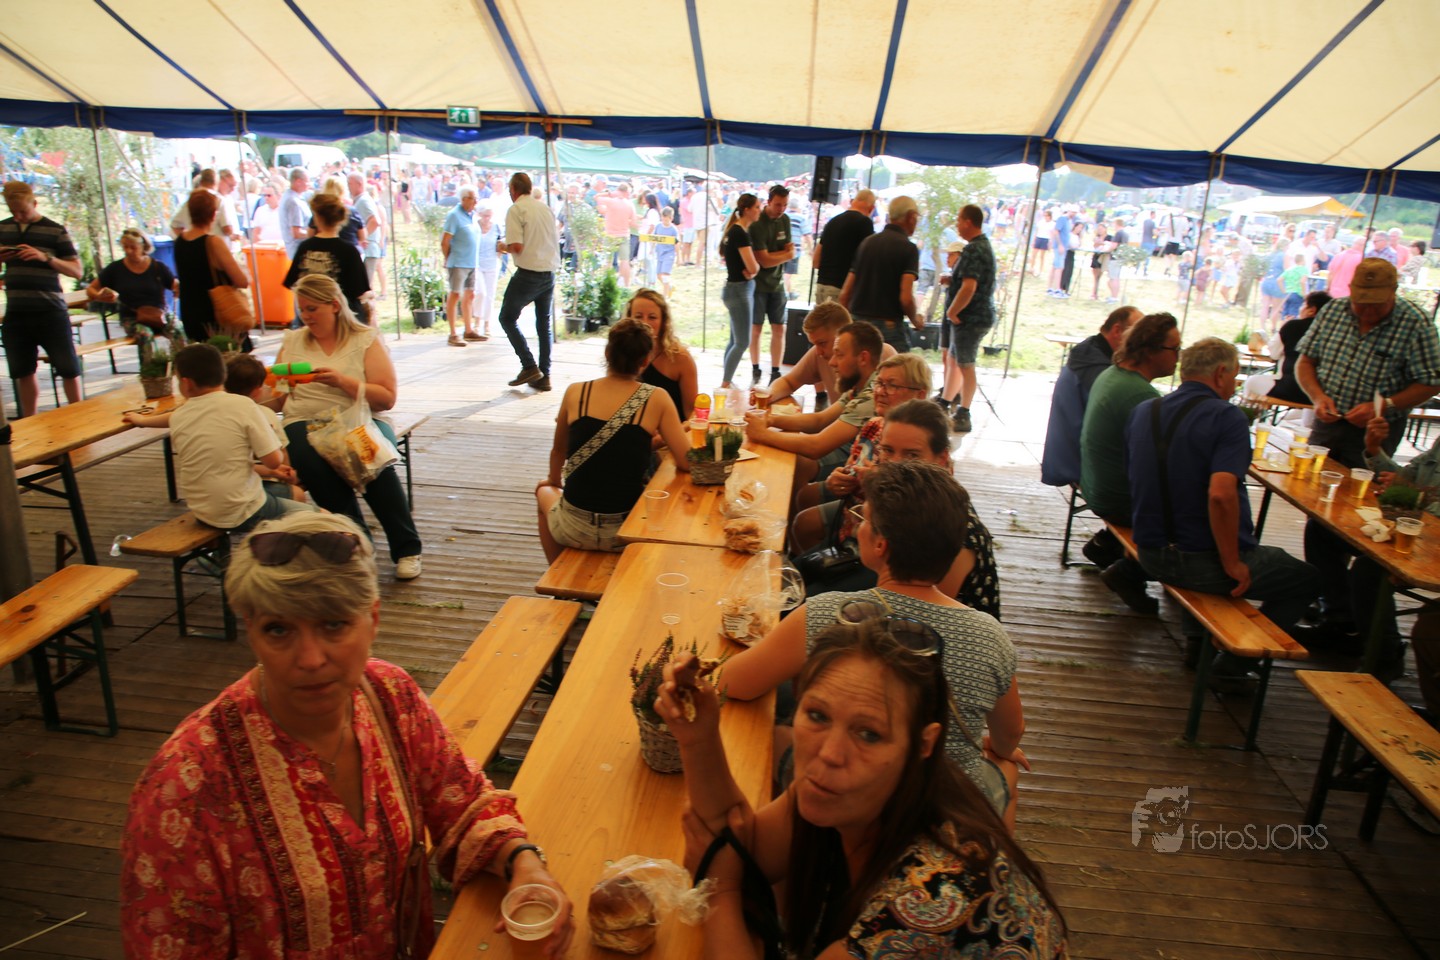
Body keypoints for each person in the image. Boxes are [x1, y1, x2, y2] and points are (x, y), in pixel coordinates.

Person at [120, 511, 574, 958]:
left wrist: (523, 861)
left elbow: (460, 800)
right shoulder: (185, 788)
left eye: (333, 624)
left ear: (373, 619)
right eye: (278, 629)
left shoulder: (389, 695)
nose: (311, 658)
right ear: (252, 633)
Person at [657, 616, 1066, 959]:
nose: (830, 753)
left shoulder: (928, 903)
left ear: (923, 744)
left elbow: (727, 864)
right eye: (817, 715)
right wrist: (698, 737)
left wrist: (721, 890)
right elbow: (742, 848)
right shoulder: (860, 791)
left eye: (869, 734)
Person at [719, 460, 1029, 826]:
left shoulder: (830, 613)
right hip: (946, 808)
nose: (858, 526)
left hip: (857, 798)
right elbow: (1011, 732)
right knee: (1005, 768)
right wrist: (1000, 749)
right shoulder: (990, 634)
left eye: (863, 518)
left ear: (880, 544)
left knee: (776, 733)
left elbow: (732, 683)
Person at [1127, 338, 1321, 687]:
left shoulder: (1145, 410)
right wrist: (1233, 562)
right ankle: (1233, 665)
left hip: (1150, 554)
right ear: (1220, 373)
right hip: (1199, 564)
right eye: (1234, 377)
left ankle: (1197, 644)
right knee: (1306, 579)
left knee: (1205, 547)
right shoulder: (1226, 416)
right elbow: (1220, 495)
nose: (1234, 386)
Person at [1291, 258, 1440, 649]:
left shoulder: (1415, 323)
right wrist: (1317, 396)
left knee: (1363, 520)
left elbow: (1431, 382)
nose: (1366, 311)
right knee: (1318, 514)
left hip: (1376, 432)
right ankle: (1335, 606)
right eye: (1360, 302)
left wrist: (1385, 405)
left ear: (1394, 294)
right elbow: (1305, 361)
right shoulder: (1334, 312)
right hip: (1328, 424)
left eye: (1376, 304)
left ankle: (1354, 616)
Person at [273, 274, 424, 580]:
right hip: (304, 418)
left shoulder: (364, 339)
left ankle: (406, 547)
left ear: (334, 305)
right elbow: (278, 398)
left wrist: (342, 382)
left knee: (369, 457)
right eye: (302, 309)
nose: (306, 316)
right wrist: (275, 386)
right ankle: (356, 540)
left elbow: (386, 398)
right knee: (308, 457)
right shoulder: (293, 341)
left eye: (313, 308)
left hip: (358, 416)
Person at [802, 397, 1002, 618]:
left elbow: (926, 615)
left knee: (803, 603)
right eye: (887, 450)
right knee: (791, 576)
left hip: (926, 623)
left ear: (941, 458)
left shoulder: (957, 530)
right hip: (879, 573)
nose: (894, 463)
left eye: (912, 455)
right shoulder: (901, 493)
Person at [535, 319, 690, 561]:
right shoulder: (657, 398)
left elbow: (558, 451)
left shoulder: (576, 392)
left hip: (573, 527)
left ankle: (555, 570)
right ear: (645, 361)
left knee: (543, 490)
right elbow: (686, 461)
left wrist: (554, 481)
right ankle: (562, 574)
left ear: (607, 353)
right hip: (625, 531)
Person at [123, 343, 314, 531]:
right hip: (243, 509)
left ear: (186, 383)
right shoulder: (244, 406)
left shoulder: (181, 414)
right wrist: (274, 454)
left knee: (285, 497)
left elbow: (172, 418)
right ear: (223, 375)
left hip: (203, 510)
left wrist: (142, 420)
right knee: (320, 518)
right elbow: (274, 461)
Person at [1078, 313, 1180, 613]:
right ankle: (1131, 572)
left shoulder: (1113, 373)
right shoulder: (1141, 395)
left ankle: (1108, 544)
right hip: (1118, 499)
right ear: (1150, 351)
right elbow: (1164, 461)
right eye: (1174, 349)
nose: (1178, 357)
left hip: (1095, 485)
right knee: (1204, 511)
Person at [790, 353, 932, 552]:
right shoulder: (873, 425)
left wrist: (877, 483)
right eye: (879, 383)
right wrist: (836, 480)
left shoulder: (926, 443)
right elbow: (849, 469)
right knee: (803, 520)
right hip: (854, 511)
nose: (880, 391)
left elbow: (921, 509)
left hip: (889, 535)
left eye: (892, 385)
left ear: (920, 395)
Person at [745, 320, 883, 490]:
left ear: (863, 358)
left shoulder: (870, 396)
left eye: (839, 355)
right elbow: (820, 420)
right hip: (850, 450)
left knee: (793, 463)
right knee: (787, 458)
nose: (832, 362)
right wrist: (769, 420)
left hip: (863, 467)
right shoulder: (860, 384)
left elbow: (816, 446)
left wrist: (762, 434)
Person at [0, 180, 84, 417]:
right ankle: (30, 420)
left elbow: (77, 271)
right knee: (22, 371)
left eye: (23, 211)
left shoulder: (55, 230)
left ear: (34, 203)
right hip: (17, 311)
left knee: (68, 368)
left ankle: (79, 414)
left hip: (50, 310)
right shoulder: (3, 229)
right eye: (13, 212)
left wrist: (45, 257)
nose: (18, 216)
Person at [1039, 305, 1141, 488]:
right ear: (1117, 331)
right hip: (1077, 464)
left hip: (1067, 456)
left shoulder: (1090, 352)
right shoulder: (1097, 368)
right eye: (1138, 334)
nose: (1142, 342)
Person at [764, 301, 897, 410]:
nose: (818, 352)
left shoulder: (885, 355)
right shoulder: (819, 353)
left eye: (822, 343)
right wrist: (768, 395)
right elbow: (788, 382)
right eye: (814, 344)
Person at [497, 172, 561, 392]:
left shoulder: (516, 210)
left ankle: (528, 365)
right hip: (548, 272)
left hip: (528, 273)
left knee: (507, 318)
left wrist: (502, 246)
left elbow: (517, 246)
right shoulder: (545, 209)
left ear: (513, 190)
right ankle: (545, 375)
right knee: (543, 325)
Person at [85, 227, 183, 363]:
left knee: (178, 329)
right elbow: (91, 288)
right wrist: (99, 295)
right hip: (132, 318)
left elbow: (174, 284)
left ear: (143, 246)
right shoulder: (115, 269)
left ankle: (182, 366)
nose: (128, 251)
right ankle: (150, 371)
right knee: (145, 334)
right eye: (125, 247)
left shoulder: (157, 267)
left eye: (133, 247)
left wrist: (178, 288)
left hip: (159, 315)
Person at [839, 195, 921, 354]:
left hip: (858, 323)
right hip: (888, 327)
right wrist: (915, 319)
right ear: (911, 217)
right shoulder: (908, 248)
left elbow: (845, 294)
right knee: (899, 368)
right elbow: (905, 298)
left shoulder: (866, 243)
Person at [940, 204, 997, 433]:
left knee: (965, 364)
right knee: (956, 360)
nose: (957, 225)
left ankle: (964, 412)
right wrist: (952, 280)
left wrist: (952, 311)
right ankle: (945, 402)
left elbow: (969, 286)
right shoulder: (980, 246)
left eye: (959, 220)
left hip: (971, 317)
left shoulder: (974, 249)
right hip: (973, 316)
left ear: (968, 222)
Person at [173, 189, 250, 346]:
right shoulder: (213, 242)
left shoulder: (179, 242)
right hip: (216, 312)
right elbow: (241, 280)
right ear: (213, 215)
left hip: (189, 311)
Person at [283, 193, 371, 321]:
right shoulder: (349, 251)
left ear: (317, 218)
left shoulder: (305, 248)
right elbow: (359, 291)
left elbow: (292, 282)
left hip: (311, 317)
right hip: (342, 318)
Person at [622, 287, 697, 423]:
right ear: (629, 319)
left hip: (672, 431)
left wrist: (678, 431)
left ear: (663, 322)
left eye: (652, 317)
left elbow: (692, 412)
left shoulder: (680, 358)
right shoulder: (621, 353)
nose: (645, 323)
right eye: (638, 316)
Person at [749, 184, 796, 383]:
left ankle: (775, 370)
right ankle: (755, 368)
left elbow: (791, 251)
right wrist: (784, 255)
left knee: (779, 328)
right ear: (768, 202)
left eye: (785, 205)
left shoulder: (785, 220)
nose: (781, 209)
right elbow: (764, 260)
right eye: (778, 204)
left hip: (777, 284)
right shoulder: (757, 223)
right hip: (758, 285)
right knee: (756, 329)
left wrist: (777, 255)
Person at [716, 193, 762, 389]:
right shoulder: (740, 233)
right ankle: (726, 383)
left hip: (734, 289)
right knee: (742, 342)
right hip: (739, 291)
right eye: (757, 207)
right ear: (747, 210)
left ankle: (727, 380)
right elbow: (753, 267)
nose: (759, 211)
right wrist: (755, 270)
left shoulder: (734, 230)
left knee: (735, 339)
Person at [1264, 290, 1331, 404]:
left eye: (1303, 305)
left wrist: (1283, 327)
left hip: (1288, 388)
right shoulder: (1331, 332)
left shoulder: (1292, 326)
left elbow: (1274, 354)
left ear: (1312, 310)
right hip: (1318, 395)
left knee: (1251, 382)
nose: (1300, 309)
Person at [812, 189, 876, 304]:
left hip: (821, 286)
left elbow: (816, 261)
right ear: (871, 208)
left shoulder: (832, 222)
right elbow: (867, 260)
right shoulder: (865, 223)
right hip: (841, 290)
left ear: (853, 202)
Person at [442, 185, 481, 346]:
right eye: (472, 198)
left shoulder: (472, 215)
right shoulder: (454, 215)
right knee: (455, 294)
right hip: (458, 262)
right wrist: (448, 258)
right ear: (464, 199)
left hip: (471, 262)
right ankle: (453, 333)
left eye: (476, 198)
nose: (475, 201)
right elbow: (445, 241)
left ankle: (468, 330)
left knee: (470, 295)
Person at [278, 167, 311, 262]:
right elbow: (296, 233)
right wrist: (315, 233)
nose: (309, 184)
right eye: (307, 181)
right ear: (298, 181)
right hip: (300, 252)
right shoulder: (293, 201)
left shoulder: (293, 197)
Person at [653, 206, 679, 298]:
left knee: (665, 275)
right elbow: (654, 238)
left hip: (669, 253)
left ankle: (664, 297)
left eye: (666, 219)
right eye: (663, 218)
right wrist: (651, 249)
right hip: (659, 253)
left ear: (671, 218)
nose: (664, 221)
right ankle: (669, 287)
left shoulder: (673, 230)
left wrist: (678, 257)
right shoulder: (658, 226)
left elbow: (676, 243)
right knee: (659, 275)